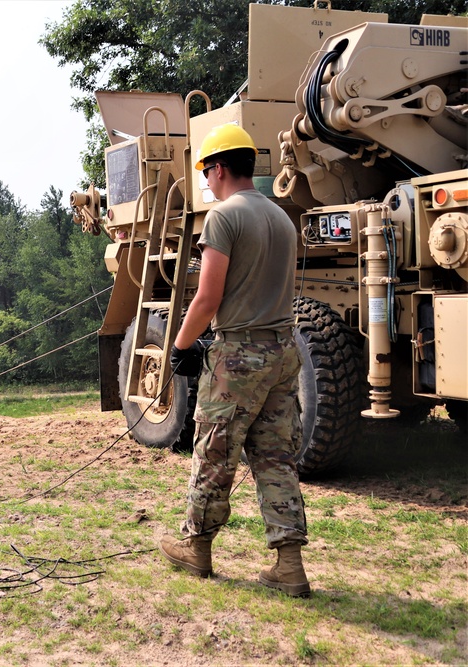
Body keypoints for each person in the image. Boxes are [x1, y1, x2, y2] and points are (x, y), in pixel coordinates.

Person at [159, 124, 310, 597]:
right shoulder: (283, 218)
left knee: (215, 453)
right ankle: (289, 564)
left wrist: (180, 348)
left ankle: (196, 547)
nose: (206, 181)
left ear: (219, 168)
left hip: (239, 357)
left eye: (206, 172)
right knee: (276, 456)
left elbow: (207, 298)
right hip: (284, 351)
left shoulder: (223, 218)